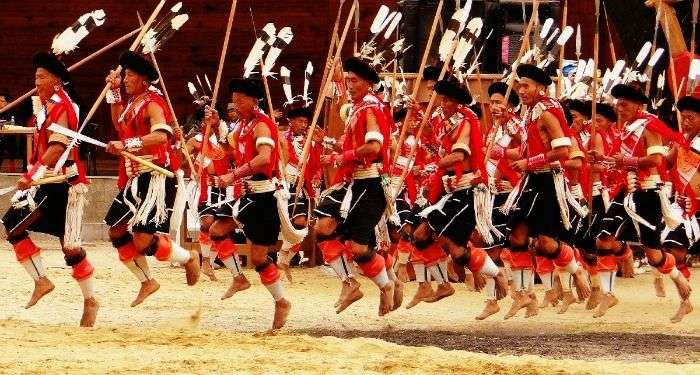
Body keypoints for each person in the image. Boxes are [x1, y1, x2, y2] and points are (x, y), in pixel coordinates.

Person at [2, 52, 98, 326]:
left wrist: (34, 173)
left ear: (57, 80)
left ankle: (90, 300)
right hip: (48, 182)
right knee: (12, 223)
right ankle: (41, 280)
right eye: (35, 77)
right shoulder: (46, 107)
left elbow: (57, 147)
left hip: (64, 184)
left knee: (70, 248)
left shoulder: (63, 107)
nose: (37, 82)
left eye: (42, 77)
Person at [103, 51, 200, 308]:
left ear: (144, 79)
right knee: (116, 230)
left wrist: (126, 144)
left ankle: (188, 257)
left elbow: (161, 136)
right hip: (133, 178)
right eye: (124, 75)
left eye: (130, 75)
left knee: (143, 241)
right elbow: (119, 124)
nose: (125, 79)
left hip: (155, 178)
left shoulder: (154, 103)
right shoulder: (133, 102)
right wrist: (113, 92)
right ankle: (147, 281)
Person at [592, 83, 692, 321]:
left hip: (647, 194)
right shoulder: (626, 128)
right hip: (626, 191)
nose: (619, 108)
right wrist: (604, 158)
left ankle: (680, 284)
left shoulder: (649, 126)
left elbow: (656, 159)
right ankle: (608, 293)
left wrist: (626, 161)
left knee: (654, 256)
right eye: (617, 103)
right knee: (603, 238)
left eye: (624, 104)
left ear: (638, 105)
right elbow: (622, 161)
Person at [501, 64, 591, 318]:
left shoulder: (547, 113)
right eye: (519, 85)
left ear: (540, 88)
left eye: (526, 85)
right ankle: (524, 295)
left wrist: (529, 162)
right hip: (530, 182)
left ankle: (576, 270)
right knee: (516, 237)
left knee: (545, 243)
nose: (520, 90)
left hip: (548, 183)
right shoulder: (529, 113)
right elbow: (528, 149)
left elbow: (563, 151)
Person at [204, 77, 292, 330]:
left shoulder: (262, 126)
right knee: (216, 229)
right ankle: (238, 277)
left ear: (255, 101)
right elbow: (228, 151)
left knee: (259, 257)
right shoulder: (242, 126)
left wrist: (232, 175)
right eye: (233, 101)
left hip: (265, 196)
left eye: (241, 101)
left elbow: (264, 158)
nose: (236, 105)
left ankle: (280, 301)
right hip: (249, 196)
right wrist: (214, 127)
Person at [315, 57, 396, 316]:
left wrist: (340, 157)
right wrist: (333, 146)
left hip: (371, 182)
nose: (349, 85)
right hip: (354, 182)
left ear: (369, 84)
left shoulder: (371, 108)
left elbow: (374, 147)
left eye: (354, 80)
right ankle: (350, 283)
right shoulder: (358, 107)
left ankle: (387, 286)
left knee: (359, 247)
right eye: (347, 80)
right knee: (323, 226)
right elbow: (354, 147)